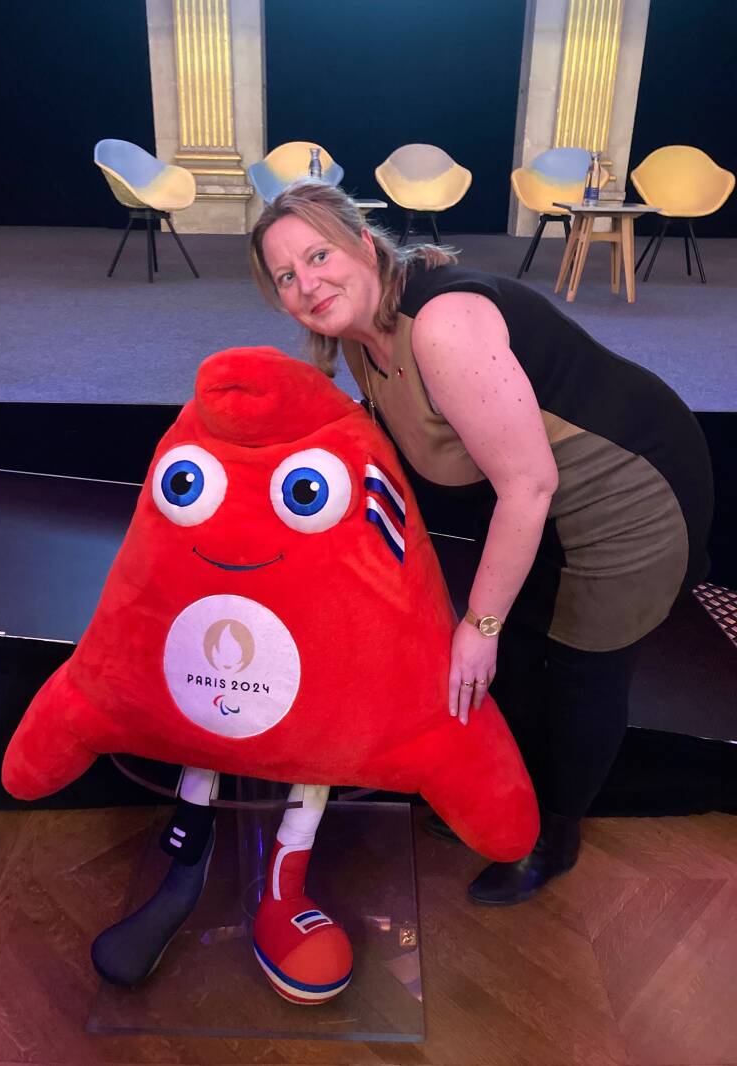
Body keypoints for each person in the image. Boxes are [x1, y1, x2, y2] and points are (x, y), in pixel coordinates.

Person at [249, 180, 714, 905]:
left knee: (581, 673)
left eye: (318, 256)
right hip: (543, 502)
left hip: (630, 492)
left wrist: (480, 623)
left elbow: (527, 484)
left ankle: (552, 839)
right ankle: (508, 801)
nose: (307, 285)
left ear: (364, 245)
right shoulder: (363, 336)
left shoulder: (443, 324)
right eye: (285, 276)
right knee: (521, 653)